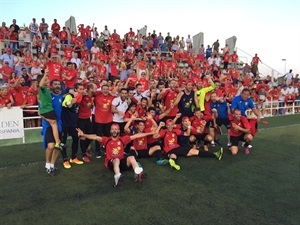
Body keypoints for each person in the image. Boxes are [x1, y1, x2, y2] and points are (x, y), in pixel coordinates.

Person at [76, 124, 153, 187]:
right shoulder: (106, 140)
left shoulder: (123, 139)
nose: (114, 131)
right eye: (112, 129)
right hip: (111, 163)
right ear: (110, 131)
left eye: (116, 129)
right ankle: (117, 177)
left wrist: (151, 133)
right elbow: (95, 137)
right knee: (116, 159)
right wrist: (83, 134)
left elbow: (136, 136)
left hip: (121, 163)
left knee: (131, 157)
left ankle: (139, 174)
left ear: (119, 131)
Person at [158, 119, 223, 171]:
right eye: (168, 125)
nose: (170, 126)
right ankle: (173, 162)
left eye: (171, 125)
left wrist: (189, 127)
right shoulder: (164, 131)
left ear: (173, 125)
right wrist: (159, 126)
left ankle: (215, 154)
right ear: (166, 125)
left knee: (195, 152)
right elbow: (155, 136)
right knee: (173, 154)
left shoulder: (176, 131)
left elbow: (187, 134)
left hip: (178, 147)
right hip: (169, 150)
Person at [40, 78, 63, 176]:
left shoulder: (63, 97)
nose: (57, 86)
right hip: (48, 125)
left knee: (57, 147)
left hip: (59, 125)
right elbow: (40, 112)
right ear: (51, 86)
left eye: (59, 84)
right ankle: (47, 164)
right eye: (55, 84)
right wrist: (51, 121)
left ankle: (52, 165)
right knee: (51, 146)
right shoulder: (47, 96)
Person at [38, 70, 63, 151]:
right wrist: (45, 74)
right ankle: (57, 142)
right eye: (46, 80)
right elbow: (41, 84)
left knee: (54, 124)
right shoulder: (43, 89)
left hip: (47, 111)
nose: (48, 80)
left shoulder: (47, 90)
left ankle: (57, 142)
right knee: (54, 124)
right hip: (48, 110)